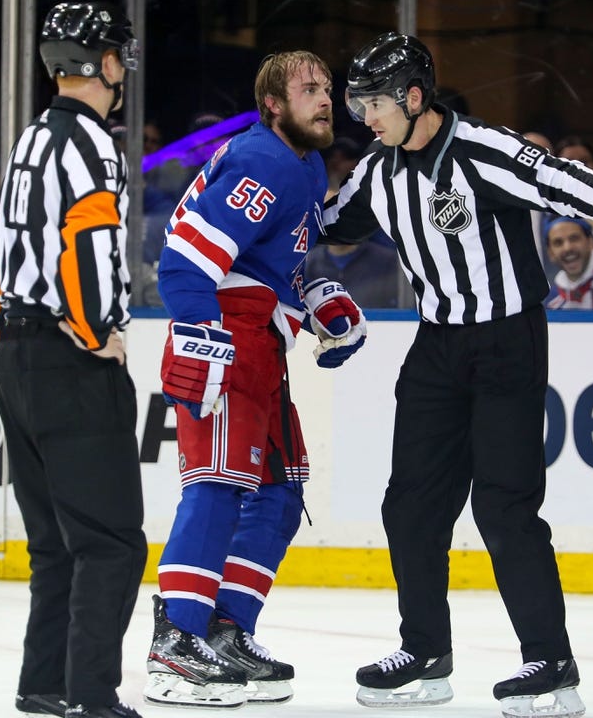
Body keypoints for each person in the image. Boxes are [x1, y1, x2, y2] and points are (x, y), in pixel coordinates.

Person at [321, 31, 593, 717]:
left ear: (415, 97)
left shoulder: (480, 148)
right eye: (358, 105)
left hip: (507, 340)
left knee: (503, 506)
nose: (366, 118)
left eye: (376, 104)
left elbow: (552, 175)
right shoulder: (378, 169)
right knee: (409, 503)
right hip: (436, 345)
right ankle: (425, 649)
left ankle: (550, 661)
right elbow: (333, 223)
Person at [148, 50, 368, 709]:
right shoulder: (264, 161)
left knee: (276, 497)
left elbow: (270, 263)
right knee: (216, 488)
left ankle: (225, 630)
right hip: (229, 336)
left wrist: (312, 295)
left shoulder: (300, 164)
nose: (325, 98)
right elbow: (184, 261)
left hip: (263, 343)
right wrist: (199, 335)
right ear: (273, 104)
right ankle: (176, 645)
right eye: (308, 89)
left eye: (328, 88)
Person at [0, 1, 147, 718]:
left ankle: (42, 683)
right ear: (101, 63)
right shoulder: (93, 147)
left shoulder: (28, 141)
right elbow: (90, 244)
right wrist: (97, 329)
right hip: (71, 361)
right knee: (110, 544)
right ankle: (89, 699)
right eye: (117, 54)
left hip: (17, 359)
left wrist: (12, 336)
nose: (122, 68)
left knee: (55, 543)